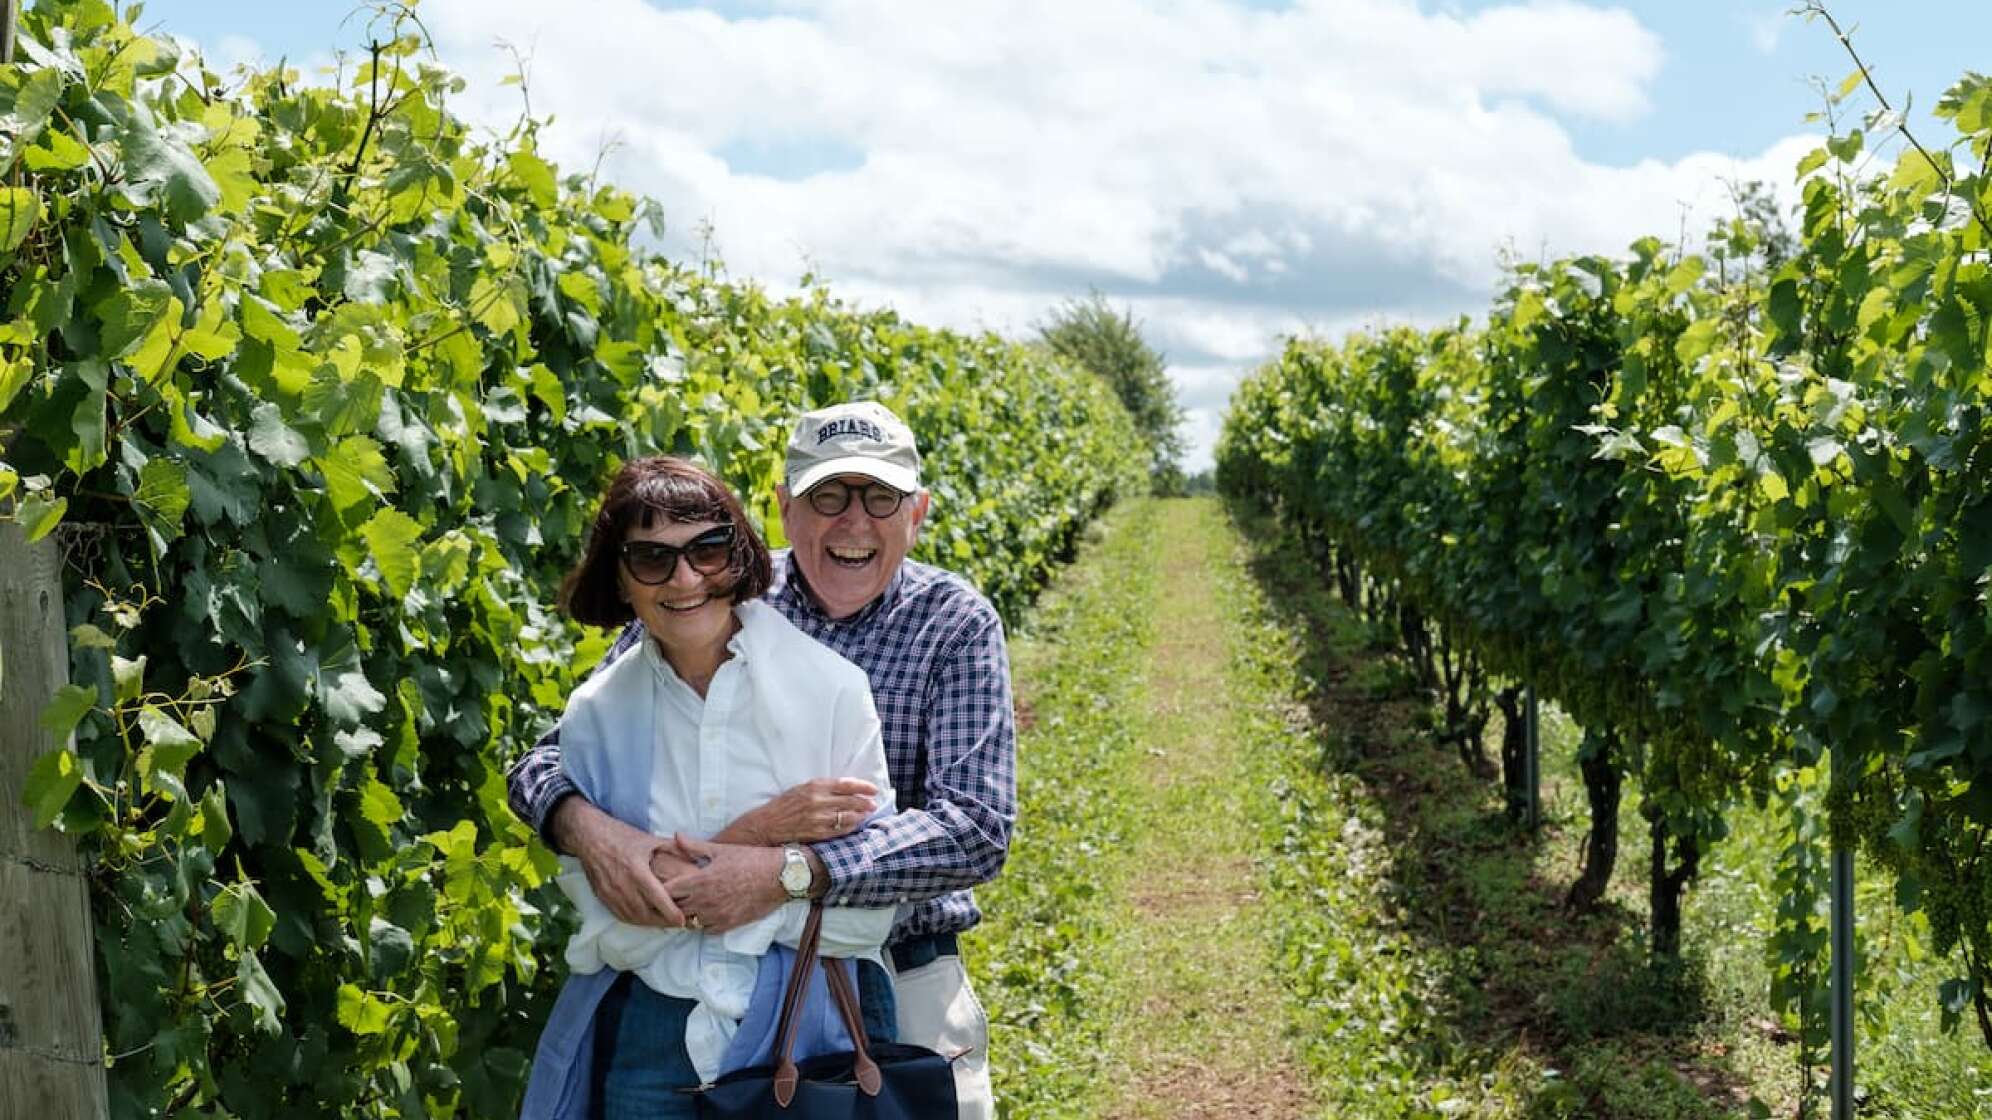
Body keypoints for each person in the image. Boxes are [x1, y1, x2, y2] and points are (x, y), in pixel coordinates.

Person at [510, 401, 1013, 1118]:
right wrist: (589, 829)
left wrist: (788, 869)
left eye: (880, 497)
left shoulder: (954, 622)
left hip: (895, 973)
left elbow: (974, 828)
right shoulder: (712, 586)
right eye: (827, 496)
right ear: (783, 508)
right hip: (701, 977)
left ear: (918, 512)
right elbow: (555, 756)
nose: (853, 522)